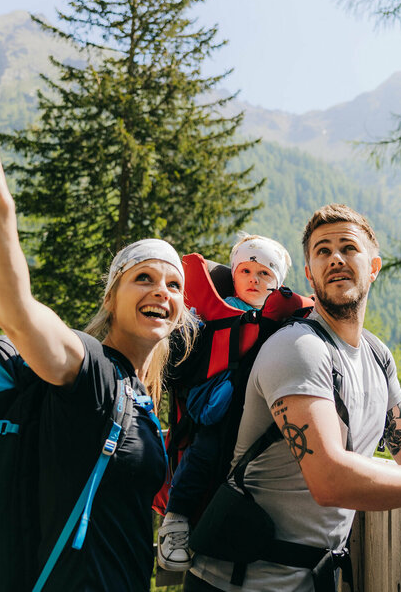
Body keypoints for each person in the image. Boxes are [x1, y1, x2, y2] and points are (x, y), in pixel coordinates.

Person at [0, 91, 196, 592]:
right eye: (143, 278)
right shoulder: (92, 373)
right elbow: (17, 314)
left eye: (174, 285)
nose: (161, 291)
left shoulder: (140, 397)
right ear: (112, 299)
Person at [187, 203, 401, 592]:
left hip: (308, 581)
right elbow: (331, 479)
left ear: (373, 266)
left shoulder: (375, 354)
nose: (334, 258)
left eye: (347, 248)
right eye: (322, 251)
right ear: (309, 274)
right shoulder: (299, 348)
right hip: (238, 583)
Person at [158, 235, 292, 572]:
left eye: (264, 274)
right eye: (246, 270)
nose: (253, 279)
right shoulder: (215, 311)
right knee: (203, 455)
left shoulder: (283, 321)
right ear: (234, 274)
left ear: (276, 285)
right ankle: (175, 520)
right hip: (217, 413)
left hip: (262, 413)